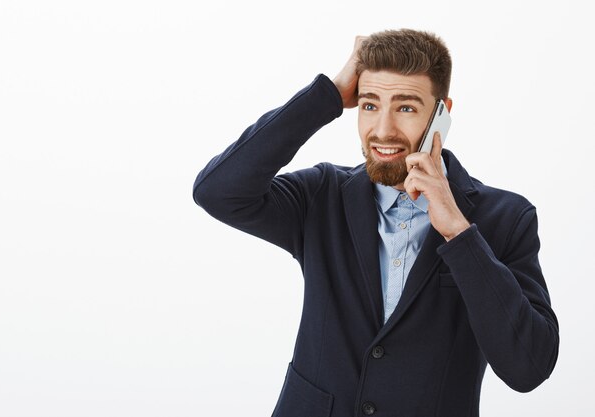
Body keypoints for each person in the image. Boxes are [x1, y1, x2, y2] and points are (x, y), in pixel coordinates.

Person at [192, 29, 559, 417]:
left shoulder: (504, 218)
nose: (382, 130)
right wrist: (329, 95)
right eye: (369, 105)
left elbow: (529, 367)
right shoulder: (323, 196)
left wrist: (459, 233)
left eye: (405, 108)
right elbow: (217, 191)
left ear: (441, 114)